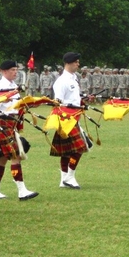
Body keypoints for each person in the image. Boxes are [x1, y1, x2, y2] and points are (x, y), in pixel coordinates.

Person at [0, 60, 38, 201]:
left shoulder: (13, 86)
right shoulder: (0, 87)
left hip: (12, 123)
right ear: (3, 71)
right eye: (12, 70)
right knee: (16, 155)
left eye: (16, 70)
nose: (15, 72)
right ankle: (22, 190)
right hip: (3, 122)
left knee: (3, 158)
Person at [51, 52, 91, 189]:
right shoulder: (61, 81)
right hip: (65, 118)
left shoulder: (74, 78)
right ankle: (70, 176)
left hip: (75, 116)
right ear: (69, 63)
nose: (78, 64)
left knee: (67, 151)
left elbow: (73, 97)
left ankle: (63, 180)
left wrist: (83, 100)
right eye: (76, 62)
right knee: (80, 147)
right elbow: (58, 102)